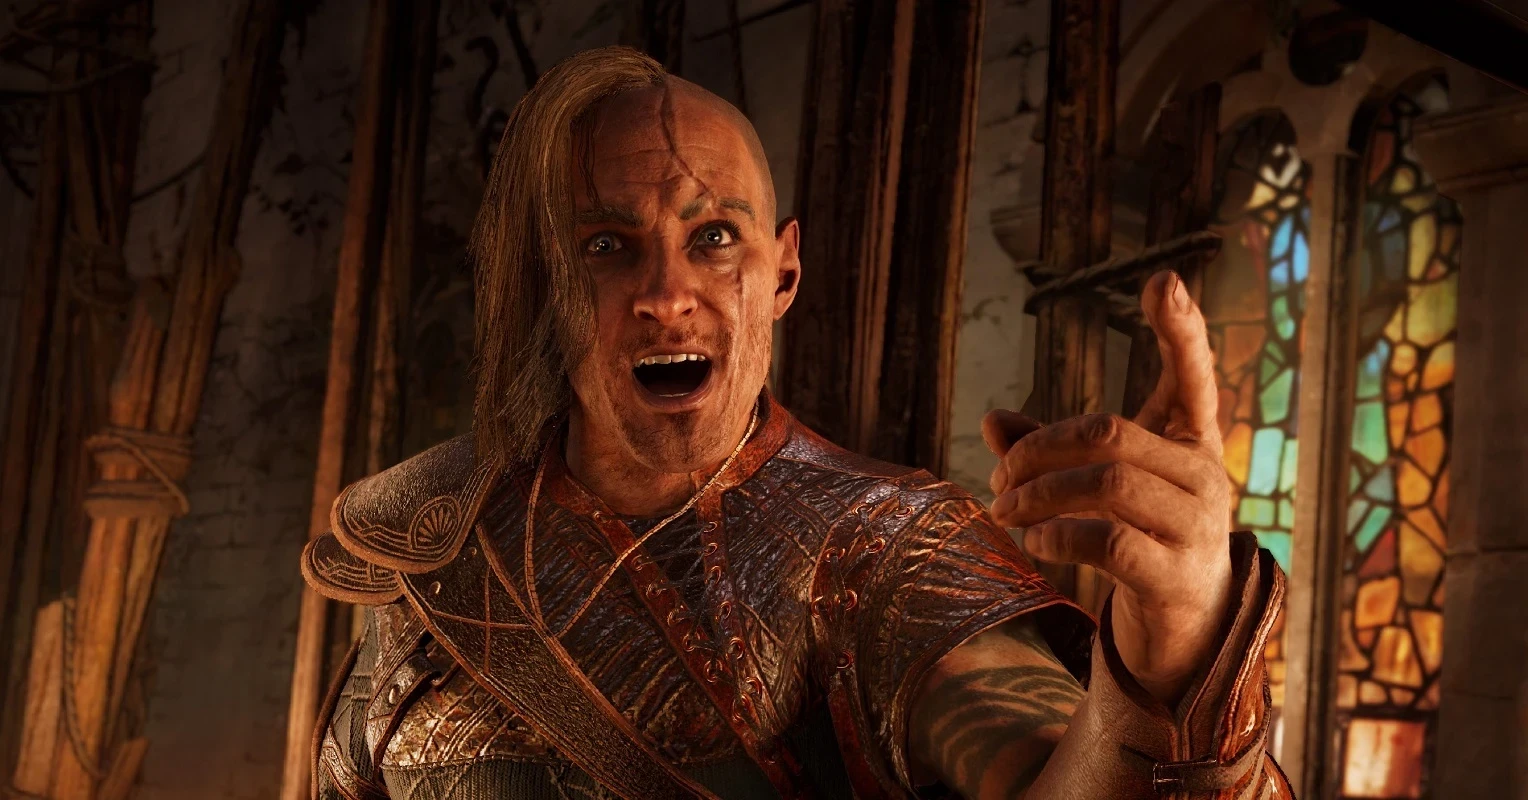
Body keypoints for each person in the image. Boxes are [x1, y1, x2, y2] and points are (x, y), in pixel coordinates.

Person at [301, 46, 1291, 800]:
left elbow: (1042, 770)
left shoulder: (885, 546)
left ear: (782, 273)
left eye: (712, 237)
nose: (665, 294)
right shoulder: (442, 532)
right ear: (548, 288)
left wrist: (1173, 652)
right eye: (606, 245)